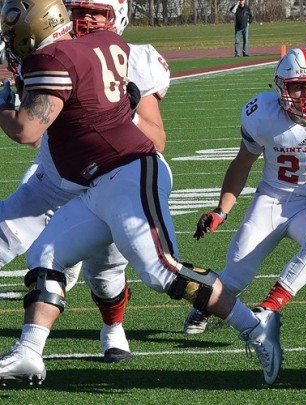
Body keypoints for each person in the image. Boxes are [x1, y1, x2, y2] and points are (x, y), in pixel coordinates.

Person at [0, 0, 281, 386]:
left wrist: (4, 107)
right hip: (91, 179)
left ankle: (256, 326)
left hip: (128, 171)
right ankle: (29, 352)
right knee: (46, 254)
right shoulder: (101, 45)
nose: (88, 18)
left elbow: (27, 132)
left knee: (162, 271)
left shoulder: (53, 57)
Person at [183, 48, 306, 335]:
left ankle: (267, 309)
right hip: (271, 199)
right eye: (297, 86)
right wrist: (221, 210)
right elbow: (242, 163)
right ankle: (203, 307)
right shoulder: (263, 115)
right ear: (281, 87)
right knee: (236, 276)